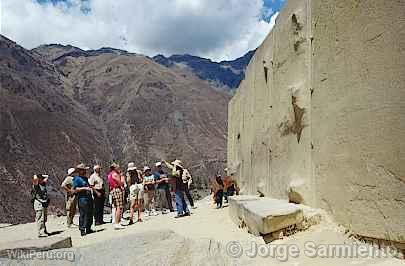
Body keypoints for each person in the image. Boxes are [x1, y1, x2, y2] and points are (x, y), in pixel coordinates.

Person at [73, 163, 94, 236]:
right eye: (84, 170)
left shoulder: (85, 178)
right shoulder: (77, 179)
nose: (85, 171)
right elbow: (75, 189)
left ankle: (88, 227)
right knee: (83, 214)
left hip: (88, 197)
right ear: (80, 171)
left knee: (90, 213)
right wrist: (84, 188)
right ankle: (82, 229)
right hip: (82, 198)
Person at [108, 163, 125, 229]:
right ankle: (117, 223)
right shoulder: (115, 174)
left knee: (116, 206)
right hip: (117, 190)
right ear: (114, 167)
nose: (118, 167)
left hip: (113, 190)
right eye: (117, 166)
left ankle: (117, 221)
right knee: (119, 207)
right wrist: (122, 177)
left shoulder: (110, 174)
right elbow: (120, 182)